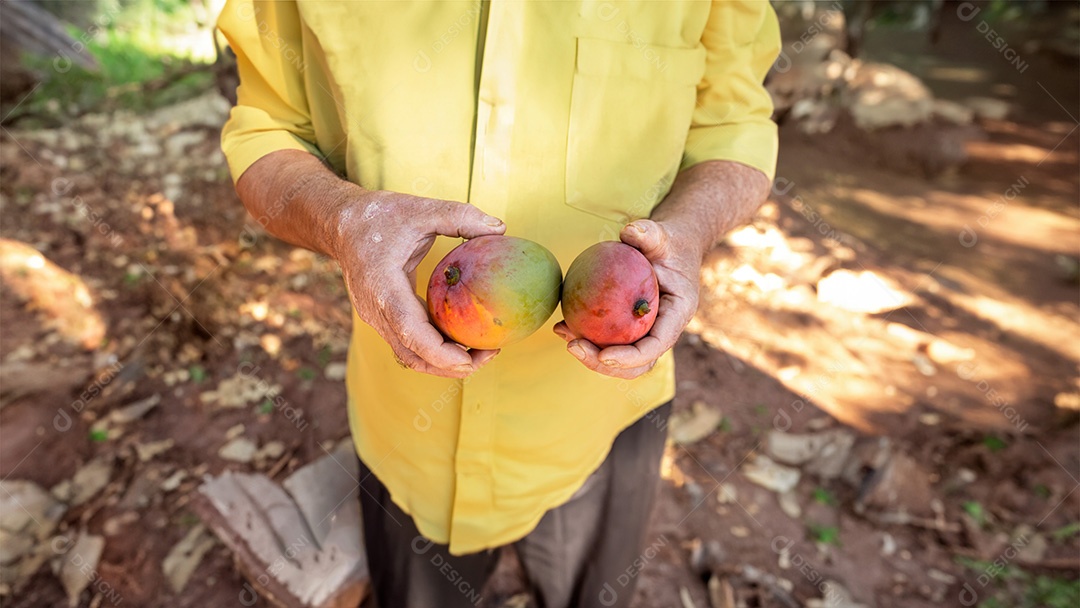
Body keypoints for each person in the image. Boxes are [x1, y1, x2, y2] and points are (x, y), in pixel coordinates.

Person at [218, 2, 779, 606]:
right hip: (407, 432)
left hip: (598, 423)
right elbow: (266, 132)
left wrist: (689, 229)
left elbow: (736, 127)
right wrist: (345, 219)